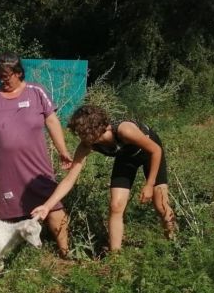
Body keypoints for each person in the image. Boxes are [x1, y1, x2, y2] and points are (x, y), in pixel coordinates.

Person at [31, 104, 176, 252]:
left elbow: (156, 150)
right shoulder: (87, 145)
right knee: (116, 206)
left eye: (82, 133)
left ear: (94, 130)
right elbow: (70, 179)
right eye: (79, 134)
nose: (81, 138)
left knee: (160, 204)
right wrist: (47, 206)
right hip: (125, 157)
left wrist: (149, 184)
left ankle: (173, 243)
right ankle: (116, 257)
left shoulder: (124, 130)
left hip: (150, 154)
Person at [0, 54, 72, 257]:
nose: (2, 80)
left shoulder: (36, 92)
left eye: (6, 76)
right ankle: (7, 257)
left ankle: (65, 252)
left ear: (18, 73)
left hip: (36, 169)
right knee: (4, 215)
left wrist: (63, 151)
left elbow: (52, 122)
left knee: (54, 208)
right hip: (4, 169)